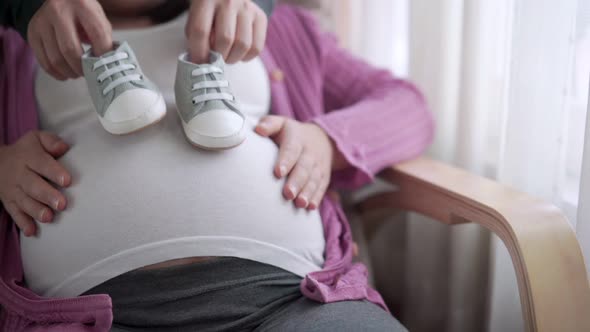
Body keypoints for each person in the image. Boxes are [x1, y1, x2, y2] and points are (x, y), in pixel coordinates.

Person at [0, 0, 434, 331]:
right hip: (86, 317)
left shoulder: (275, 26)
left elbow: (408, 107)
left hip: (296, 302)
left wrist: (327, 141)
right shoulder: (15, 42)